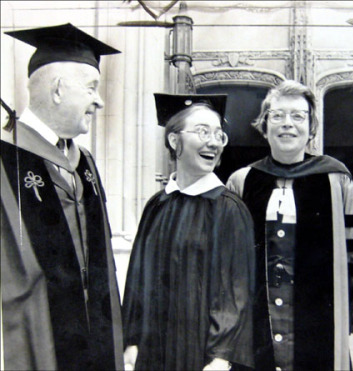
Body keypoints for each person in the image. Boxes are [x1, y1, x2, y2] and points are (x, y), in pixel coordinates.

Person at [1, 24, 123, 369]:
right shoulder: (4, 158)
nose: (99, 101)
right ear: (57, 89)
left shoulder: (84, 162)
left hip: (94, 343)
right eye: (91, 89)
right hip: (30, 347)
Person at [226, 80, 353, 370]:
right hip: (257, 321)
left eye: (298, 116)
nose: (287, 124)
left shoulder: (337, 180)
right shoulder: (241, 181)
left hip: (320, 319)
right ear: (264, 125)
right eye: (277, 116)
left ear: (312, 127)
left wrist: (352, 307)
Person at [122, 93, 255, 371]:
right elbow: (138, 277)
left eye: (219, 135)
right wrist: (131, 341)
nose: (214, 142)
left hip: (201, 357)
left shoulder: (228, 208)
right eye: (203, 131)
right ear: (174, 140)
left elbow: (235, 291)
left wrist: (221, 357)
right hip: (152, 351)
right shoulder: (157, 205)